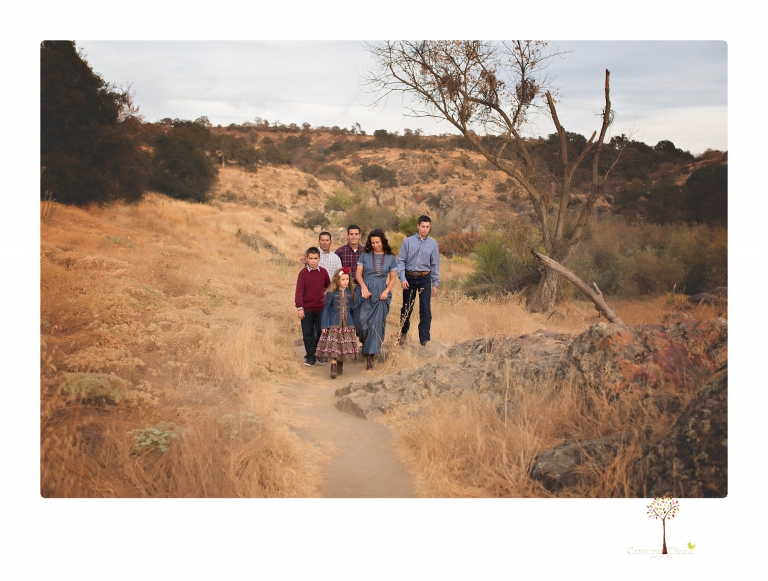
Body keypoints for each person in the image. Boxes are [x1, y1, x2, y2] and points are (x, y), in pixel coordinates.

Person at [355, 229, 398, 370]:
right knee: (361, 323)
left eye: (377, 242)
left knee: (376, 325)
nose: (375, 245)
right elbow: (358, 274)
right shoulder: (364, 255)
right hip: (365, 291)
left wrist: (386, 291)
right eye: (372, 243)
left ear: (383, 241)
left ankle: (370, 356)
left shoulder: (391, 258)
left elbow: (393, 278)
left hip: (381, 293)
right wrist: (363, 288)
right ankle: (364, 342)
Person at [396, 215, 440, 347]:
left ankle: (425, 340)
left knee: (425, 310)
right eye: (423, 227)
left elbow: (435, 265)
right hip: (409, 278)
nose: (425, 229)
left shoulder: (433, 244)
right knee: (406, 308)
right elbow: (401, 261)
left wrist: (435, 283)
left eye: (427, 227)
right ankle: (403, 333)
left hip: (425, 278)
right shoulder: (408, 242)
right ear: (418, 226)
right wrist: (402, 278)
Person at [315, 267, 359, 378]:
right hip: (334, 323)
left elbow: (353, 309)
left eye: (347, 279)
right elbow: (326, 309)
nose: (345, 282)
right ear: (337, 280)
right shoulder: (331, 293)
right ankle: (333, 366)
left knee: (342, 345)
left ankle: (340, 365)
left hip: (346, 323)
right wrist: (324, 324)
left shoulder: (351, 292)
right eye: (343, 279)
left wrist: (353, 324)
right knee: (334, 345)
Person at [295, 247, 330, 367]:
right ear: (306, 259)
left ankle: (318, 352)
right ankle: (310, 357)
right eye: (310, 258)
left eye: (315, 258)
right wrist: (300, 308)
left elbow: (328, 286)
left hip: (321, 308)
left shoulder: (324, 272)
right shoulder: (303, 274)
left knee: (322, 331)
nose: (313, 261)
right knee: (308, 334)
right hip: (307, 309)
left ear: (319, 259)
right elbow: (299, 291)